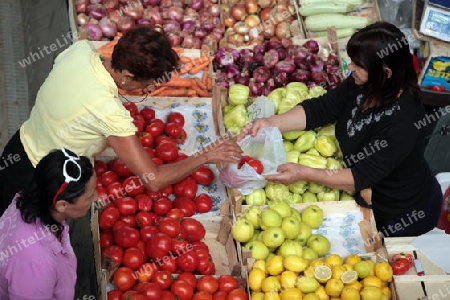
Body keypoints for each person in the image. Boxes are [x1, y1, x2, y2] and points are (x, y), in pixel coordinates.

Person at [0, 25, 242, 213]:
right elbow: (153, 180)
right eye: (146, 86)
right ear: (127, 75)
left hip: (18, 147)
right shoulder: (109, 112)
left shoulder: (80, 50)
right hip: (40, 182)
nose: (146, 91)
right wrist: (206, 155)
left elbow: (74, 100)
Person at [239, 22, 442, 237]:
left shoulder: (404, 121)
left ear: (386, 72)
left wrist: (304, 173)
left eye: (358, 64)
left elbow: (361, 176)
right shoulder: (364, 84)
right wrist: (271, 122)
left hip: (399, 213)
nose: (350, 67)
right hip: (364, 197)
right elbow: (322, 108)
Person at [0, 148, 96, 299]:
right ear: (62, 205)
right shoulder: (36, 262)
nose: (96, 198)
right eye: (90, 196)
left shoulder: (28, 198)